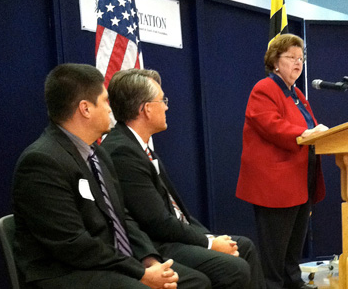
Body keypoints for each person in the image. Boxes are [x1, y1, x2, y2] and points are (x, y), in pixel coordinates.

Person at [12, 63, 210, 289]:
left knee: (195, 282)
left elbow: (122, 217)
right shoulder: (42, 162)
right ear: (85, 109)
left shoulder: (99, 154)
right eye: (105, 101)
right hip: (65, 272)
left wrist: (148, 259)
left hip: (106, 263)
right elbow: (73, 244)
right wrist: (139, 273)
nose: (110, 109)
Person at [101, 69, 265, 289]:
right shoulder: (122, 151)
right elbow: (157, 221)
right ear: (147, 109)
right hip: (157, 244)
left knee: (244, 246)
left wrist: (209, 238)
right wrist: (209, 242)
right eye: (162, 100)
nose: (167, 106)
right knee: (235, 268)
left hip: (170, 235)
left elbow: (177, 211)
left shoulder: (138, 146)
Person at [236, 34, 328, 289]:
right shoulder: (264, 89)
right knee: (274, 252)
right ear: (276, 61)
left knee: (293, 247)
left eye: (301, 59)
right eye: (292, 58)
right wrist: (304, 134)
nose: (298, 63)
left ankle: (293, 282)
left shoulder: (297, 93)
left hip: (300, 180)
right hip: (275, 184)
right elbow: (271, 126)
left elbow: (307, 127)